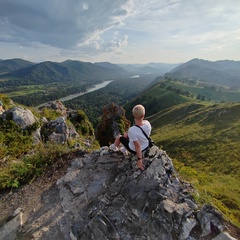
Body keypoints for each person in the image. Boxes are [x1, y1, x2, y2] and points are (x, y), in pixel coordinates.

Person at [110, 104, 152, 170]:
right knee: (127, 134)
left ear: (133, 115)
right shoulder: (147, 123)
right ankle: (123, 148)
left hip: (135, 150)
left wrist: (139, 159)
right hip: (146, 145)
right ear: (143, 115)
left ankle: (114, 147)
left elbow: (137, 146)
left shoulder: (132, 130)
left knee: (120, 137)